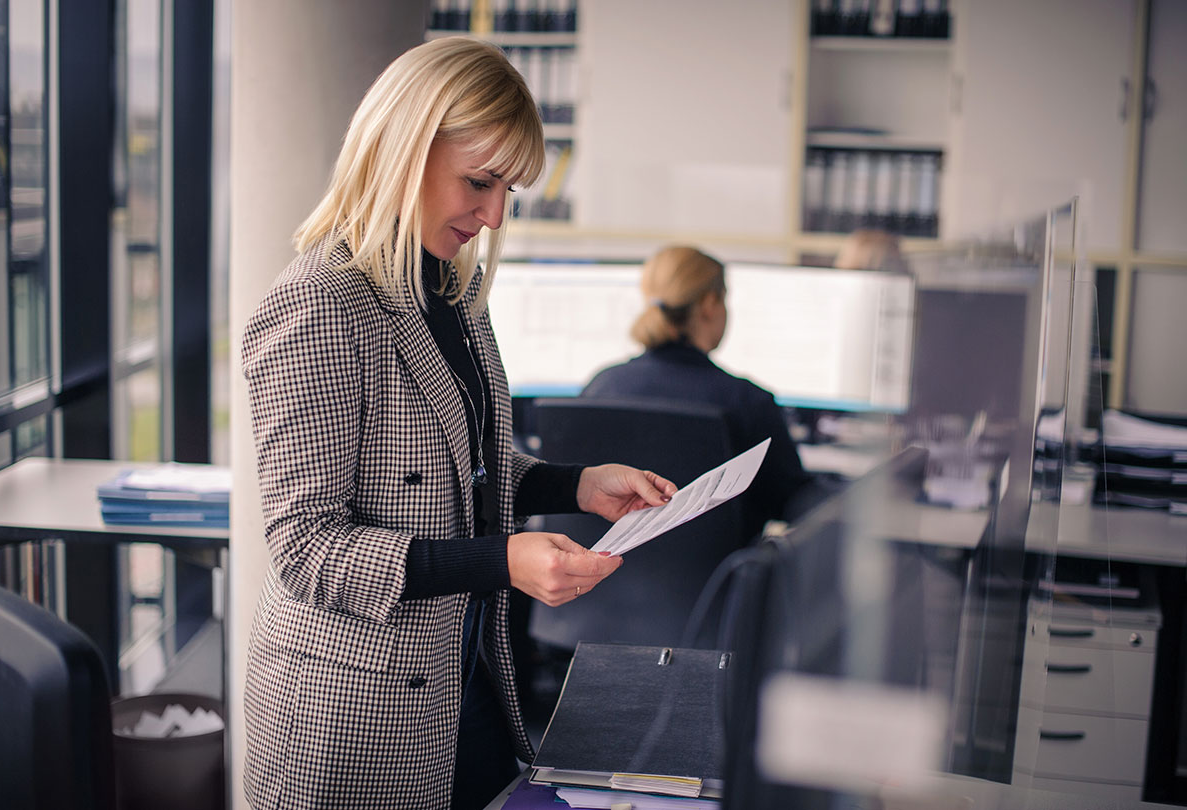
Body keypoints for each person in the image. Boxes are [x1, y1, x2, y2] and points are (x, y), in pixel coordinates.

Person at [240, 37, 676, 810]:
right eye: (480, 181)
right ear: (403, 148)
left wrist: (576, 485)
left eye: (509, 189)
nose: (496, 213)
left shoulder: (450, 291)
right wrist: (500, 561)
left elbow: (460, 467)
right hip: (356, 714)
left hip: (462, 678)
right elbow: (306, 548)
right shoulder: (318, 306)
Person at [582, 245, 825, 540]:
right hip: (724, 572)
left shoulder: (600, 386)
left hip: (605, 567)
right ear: (710, 304)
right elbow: (795, 504)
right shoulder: (747, 402)